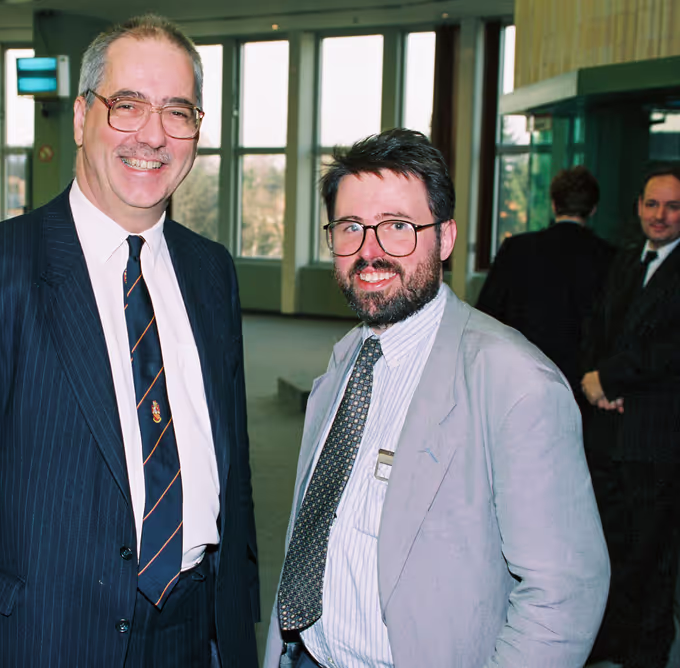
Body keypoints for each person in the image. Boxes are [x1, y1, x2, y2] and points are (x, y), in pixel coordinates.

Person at [0, 15, 258, 668]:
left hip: (194, 633)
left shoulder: (212, 274)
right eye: (128, 106)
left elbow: (234, 477)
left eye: (178, 112)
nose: (153, 134)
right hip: (48, 638)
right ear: (80, 116)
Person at [263, 129, 609, 668]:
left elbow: (562, 598)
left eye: (398, 227)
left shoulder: (516, 384)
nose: (369, 251)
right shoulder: (346, 361)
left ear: (444, 238)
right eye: (350, 227)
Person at [582, 164, 680, 668]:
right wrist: (592, 378)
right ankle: (614, 644)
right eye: (651, 204)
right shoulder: (624, 260)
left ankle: (648, 654)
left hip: (655, 442)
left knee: (653, 558)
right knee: (610, 550)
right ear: (638, 206)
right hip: (609, 434)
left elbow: (667, 350)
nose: (659, 216)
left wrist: (611, 380)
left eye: (672, 206)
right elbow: (597, 326)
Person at [476, 165, 614, 402]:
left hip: (520, 380)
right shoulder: (611, 258)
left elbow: (486, 317)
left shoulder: (517, 249)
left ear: (553, 204)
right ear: (593, 209)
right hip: (582, 390)